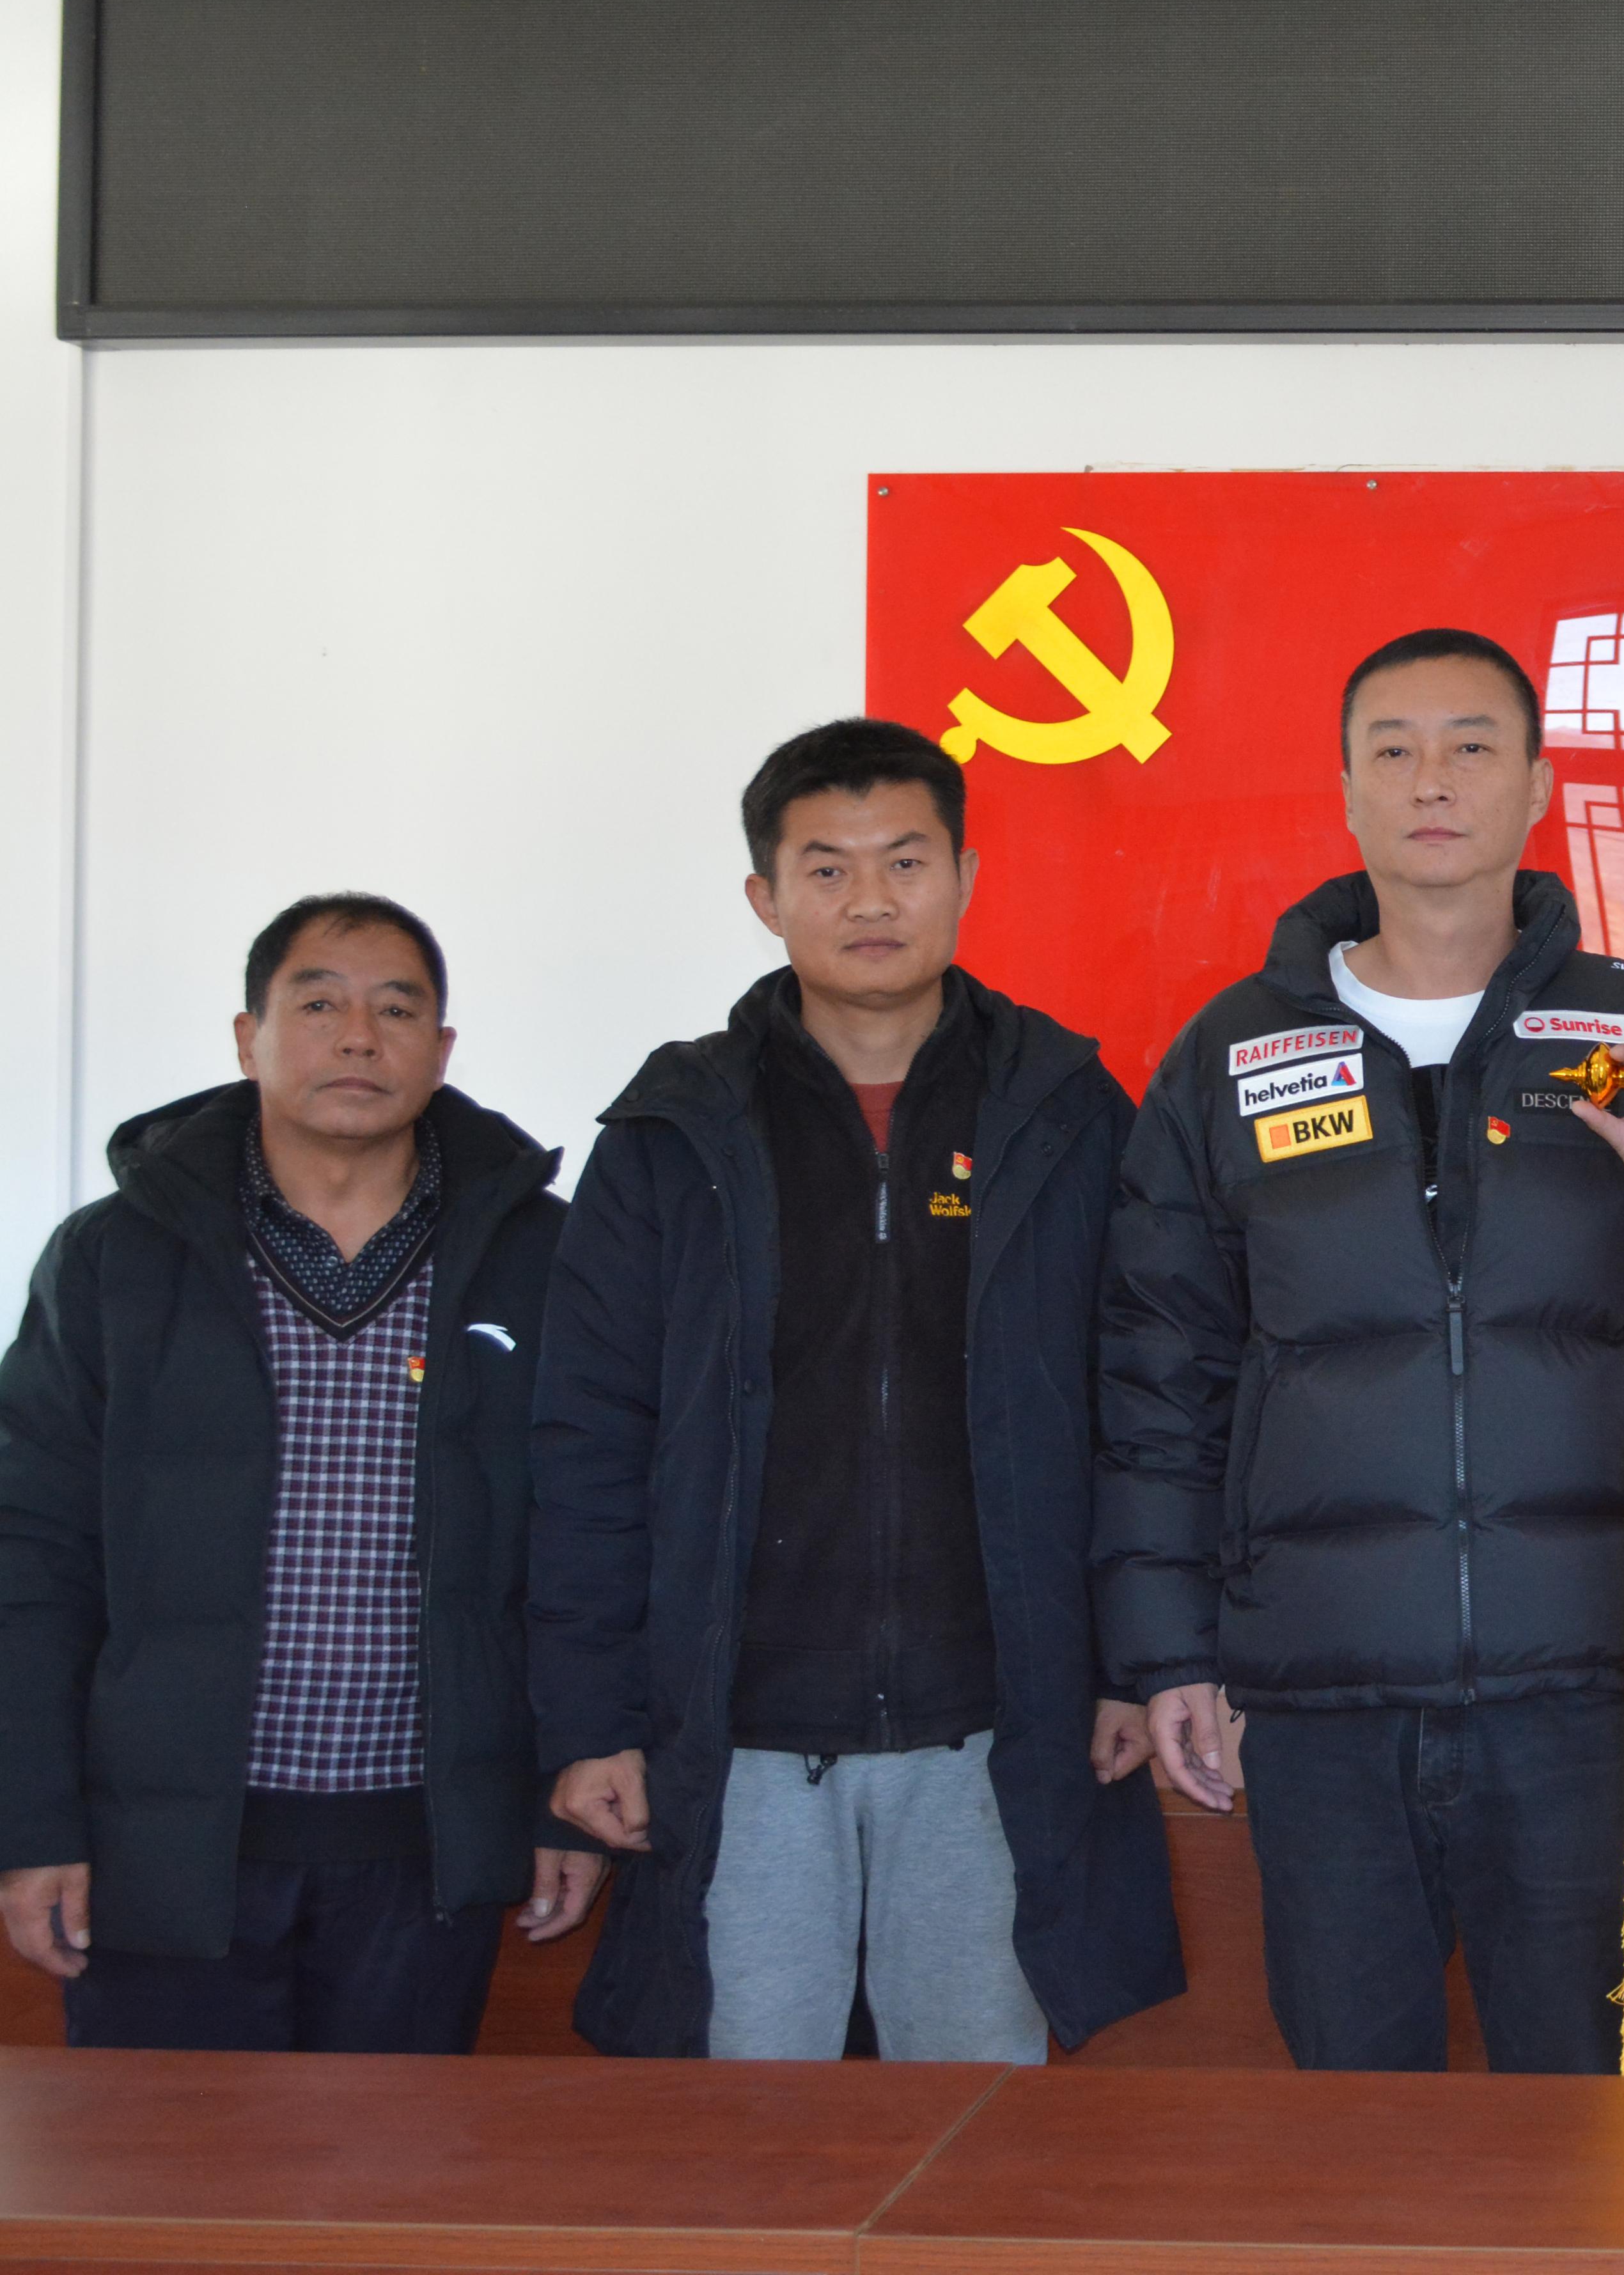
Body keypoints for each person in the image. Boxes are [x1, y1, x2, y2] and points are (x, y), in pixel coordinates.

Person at [1097, 627, 1624, 2071]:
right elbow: (1160, 1377)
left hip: (1591, 1694)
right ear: (1345, 791)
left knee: (1589, 2123)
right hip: (1322, 1701)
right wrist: (1168, 1652)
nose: (1431, 780)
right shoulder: (1235, 1054)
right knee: (1353, 2126)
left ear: (1539, 786)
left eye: (1471, 746)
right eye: (1393, 749)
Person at [533, 719, 1181, 2060]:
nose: (870, 900)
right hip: (740, 1734)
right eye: (826, 869)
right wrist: (593, 1721)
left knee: (975, 2121)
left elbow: (1142, 1401)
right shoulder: (673, 1133)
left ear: (967, 877)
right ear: (764, 896)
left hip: (996, 1727)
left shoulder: (1064, 1110)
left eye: (905, 861)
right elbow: (589, 1441)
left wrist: (1136, 1663)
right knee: (751, 2130)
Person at [0, 895, 593, 2049]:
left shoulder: (542, 1257)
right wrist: (32, 1824)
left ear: (443, 1049)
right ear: (248, 1038)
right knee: (169, 2164)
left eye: (396, 1010)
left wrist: (564, 1797)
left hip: (428, 1852)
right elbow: (31, 1555)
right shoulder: (116, 1256)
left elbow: (591, 1548)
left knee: (392, 2169)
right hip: (162, 1854)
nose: (358, 1037)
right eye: (318, 1005)